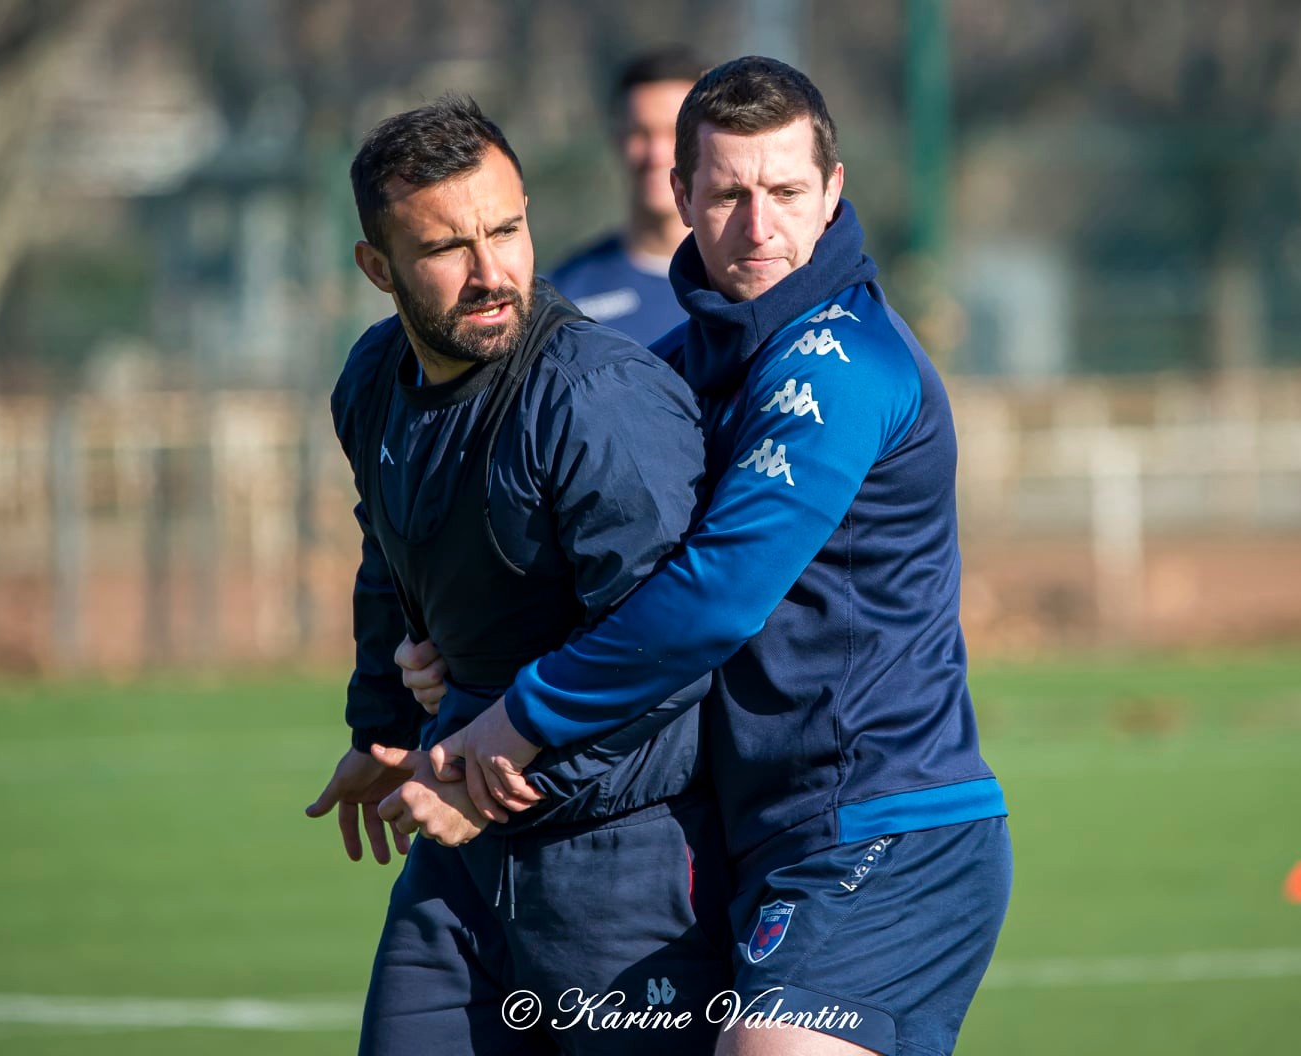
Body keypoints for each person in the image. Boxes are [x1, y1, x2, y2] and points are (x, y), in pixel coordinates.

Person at [434, 58, 1012, 1056]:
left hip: (885, 823)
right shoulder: (692, 363)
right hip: (757, 833)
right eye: (730, 193)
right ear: (681, 196)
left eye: (787, 192)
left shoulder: (836, 366)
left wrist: (523, 715)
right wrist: (442, 648)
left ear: (832, 193)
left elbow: (713, 600)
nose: (759, 227)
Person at [303, 95, 732, 1056]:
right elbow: (388, 550)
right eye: (447, 248)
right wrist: (382, 728)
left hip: (628, 862)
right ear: (378, 269)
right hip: (458, 856)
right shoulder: (371, 381)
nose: (492, 272)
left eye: (508, 228)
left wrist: (487, 778)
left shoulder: (597, 399)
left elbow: (669, 655)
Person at [547, 46, 707, 345]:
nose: (656, 154)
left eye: (675, 133)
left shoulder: (754, 280)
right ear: (617, 139)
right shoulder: (565, 296)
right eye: (640, 133)